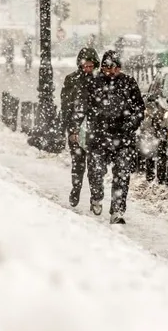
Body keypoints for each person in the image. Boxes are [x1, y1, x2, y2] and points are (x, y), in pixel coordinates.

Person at [70, 50, 145, 224]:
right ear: (102, 67)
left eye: (115, 68)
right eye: (107, 68)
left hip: (123, 137)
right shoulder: (94, 83)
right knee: (96, 171)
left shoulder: (128, 83)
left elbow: (139, 108)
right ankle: (96, 196)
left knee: (122, 174)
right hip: (98, 136)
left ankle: (117, 210)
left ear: (120, 68)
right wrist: (74, 128)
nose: (111, 72)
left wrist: (131, 123)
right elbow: (81, 107)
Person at [61, 47, 99, 207]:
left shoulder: (98, 81)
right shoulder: (72, 80)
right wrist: (69, 128)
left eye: (91, 66)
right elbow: (66, 106)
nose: (88, 69)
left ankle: (95, 197)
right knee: (78, 163)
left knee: (94, 166)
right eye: (86, 65)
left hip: (93, 129)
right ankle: (76, 189)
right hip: (76, 128)